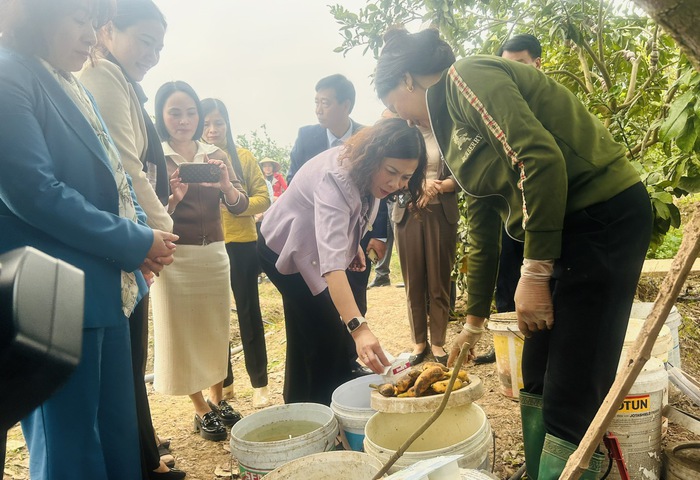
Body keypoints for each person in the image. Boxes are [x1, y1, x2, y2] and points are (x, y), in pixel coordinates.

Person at [375, 27, 652, 480]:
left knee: (573, 387)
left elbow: (539, 159)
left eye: (393, 104)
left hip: (602, 218)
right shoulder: (448, 131)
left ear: (407, 80)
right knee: (537, 372)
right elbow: (483, 230)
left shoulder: (466, 78)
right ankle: (542, 469)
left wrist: (536, 273)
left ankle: (571, 467)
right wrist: (473, 323)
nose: (400, 118)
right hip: (565, 229)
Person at [0, 1, 178, 478]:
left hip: (102, 289)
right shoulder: (8, 74)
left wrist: (143, 234)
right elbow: (32, 191)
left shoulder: (71, 82)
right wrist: (131, 240)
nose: (91, 32)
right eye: (78, 19)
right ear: (35, 16)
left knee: (116, 434)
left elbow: (117, 175)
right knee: (70, 446)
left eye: (93, 20)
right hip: (48, 293)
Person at [78, 2, 186, 477]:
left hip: (131, 235)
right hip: (120, 238)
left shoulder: (122, 81)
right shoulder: (100, 75)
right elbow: (126, 166)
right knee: (122, 362)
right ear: (108, 29)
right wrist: (159, 233)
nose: (153, 54)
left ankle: (144, 459)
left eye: (160, 46)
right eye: (145, 41)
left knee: (130, 358)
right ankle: (140, 464)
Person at [258, 118, 427, 405]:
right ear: (373, 156)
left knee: (314, 330)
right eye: (391, 172)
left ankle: (305, 401)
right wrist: (360, 329)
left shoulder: (367, 172)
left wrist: (352, 245)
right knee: (325, 330)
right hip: (283, 245)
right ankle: (324, 409)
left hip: (310, 243)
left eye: (405, 177)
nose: (396, 183)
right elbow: (332, 268)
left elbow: (349, 217)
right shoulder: (336, 176)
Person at [151, 81, 248, 442]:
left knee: (215, 329)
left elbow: (239, 206)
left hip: (215, 254)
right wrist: (174, 200)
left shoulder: (215, 154)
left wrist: (224, 185)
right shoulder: (156, 157)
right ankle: (200, 409)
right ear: (161, 116)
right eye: (174, 112)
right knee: (183, 333)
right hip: (177, 256)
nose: (184, 120)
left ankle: (217, 398)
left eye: (190, 112)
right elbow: (152, 216)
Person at [201, 98, 272, 408]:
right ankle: (224, 383)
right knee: (215, 317)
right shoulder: (193, 162)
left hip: (242, 244)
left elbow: (264, 199)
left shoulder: (242, 158)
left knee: (248, 312)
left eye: (218, 122)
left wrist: (238, 205)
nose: (213, 129)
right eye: (206, 123)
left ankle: (260, 383)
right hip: (208, 246)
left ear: (227, 124)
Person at [394, 125, 459, 366]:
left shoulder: (448, 131)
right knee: (414, 281)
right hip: (407, 212)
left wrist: (437, 186)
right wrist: (417, 185)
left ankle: (438, 341)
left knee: (439, 280)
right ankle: (419, 341)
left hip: (441, 212)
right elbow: (389, 173)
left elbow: (462, 176)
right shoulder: (400, 133)